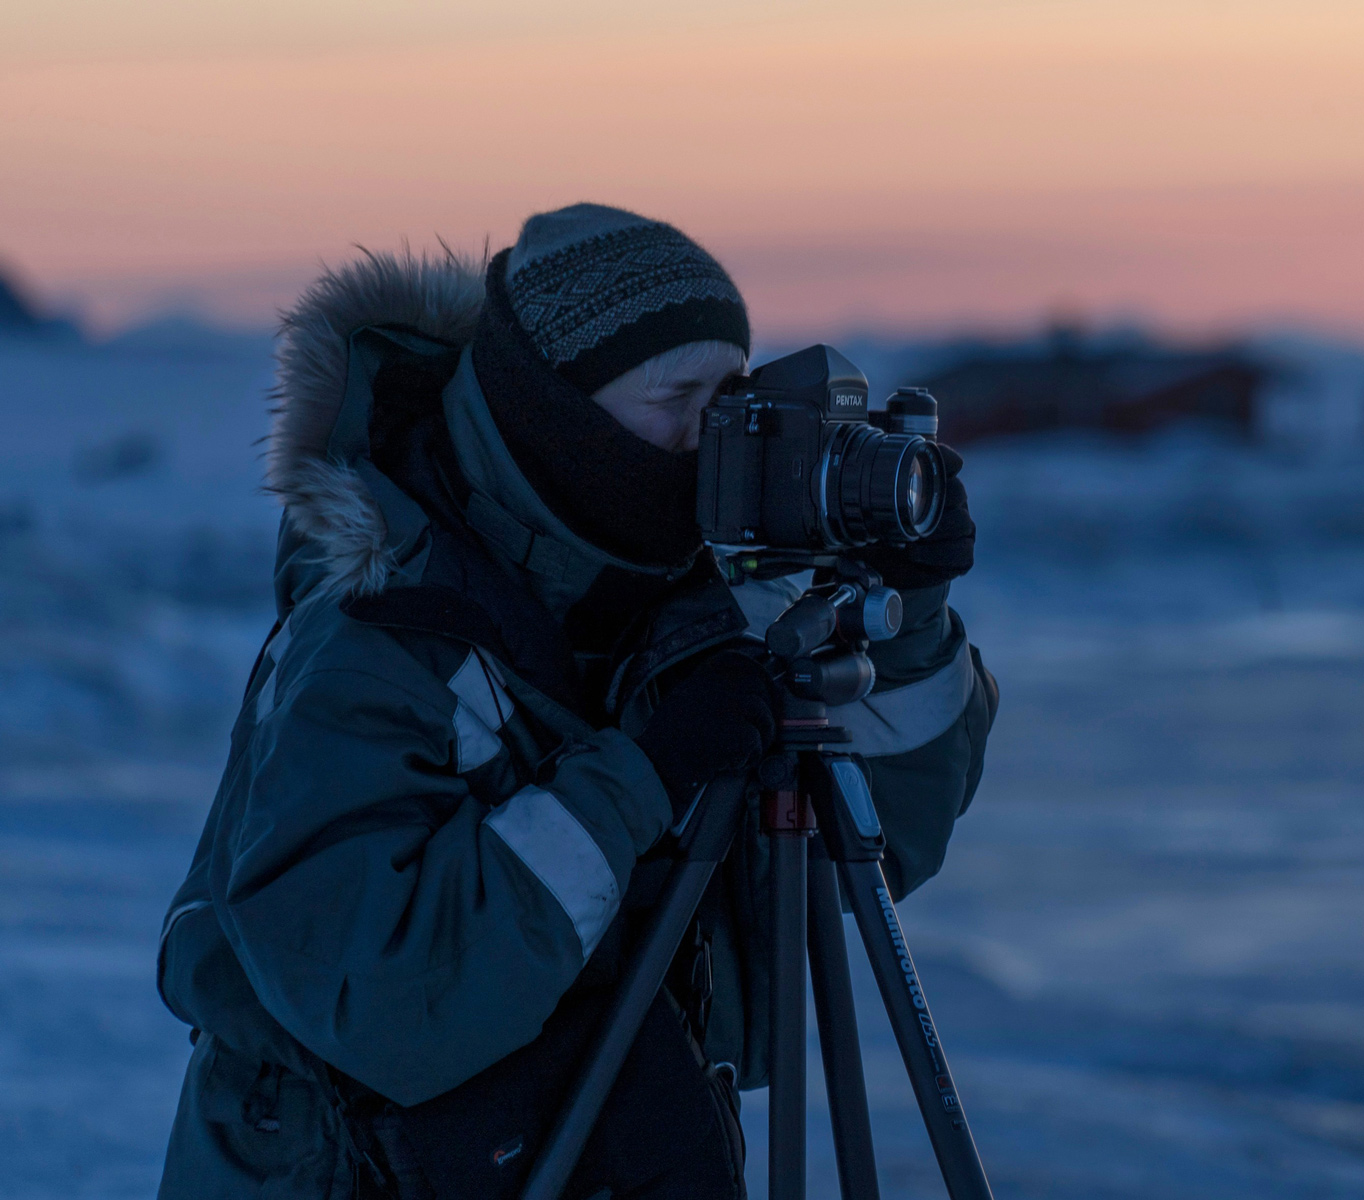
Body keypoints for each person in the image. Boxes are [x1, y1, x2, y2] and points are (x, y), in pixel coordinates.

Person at [154, 204, 997, 1199]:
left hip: (591, 1137)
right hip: (349, 1171)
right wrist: (642, 776)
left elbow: (859, 858)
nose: (708, 438)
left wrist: (906, 614)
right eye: (676, 397)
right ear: (552, 413)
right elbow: (386, 998)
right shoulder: (370, 642)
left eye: (727, 394)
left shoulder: (678, 607)